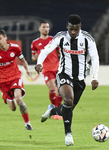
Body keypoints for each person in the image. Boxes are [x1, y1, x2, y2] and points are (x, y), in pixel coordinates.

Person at [35, 14, 99, 146]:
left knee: (67, 109)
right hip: (64, 74)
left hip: (80, 79)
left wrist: (94, 77)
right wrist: (39, 62)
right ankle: (68, 135)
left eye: (76, 29)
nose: (73, 32)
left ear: (80, 27)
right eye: (71, 29)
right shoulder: (61, 37)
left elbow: (95, 58)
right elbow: (45, 51)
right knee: (68, 100)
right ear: (67, 27)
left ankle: (51, 111)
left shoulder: (88, 39)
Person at [0, 29, 33, 130]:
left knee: (19, 98)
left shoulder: (15, 48)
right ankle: (8, 96)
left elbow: (23, 60)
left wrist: (27, 70)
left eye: (0, 39)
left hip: (15, 76)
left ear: (5, 38)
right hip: (2, 80)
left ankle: (27, 123)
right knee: (13, 108)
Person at [31, 21, 62, 120]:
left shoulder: (53, 40)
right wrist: (36, 57)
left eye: (47, 27)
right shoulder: (35, 43)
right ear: (39, 29)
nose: (46, 29)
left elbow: (59, 53)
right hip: (47, 69)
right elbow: (33, 57)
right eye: (44, 27)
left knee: (60, 91)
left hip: (57, 68)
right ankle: (55, 112)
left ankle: (53, 109)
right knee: (53, 88)